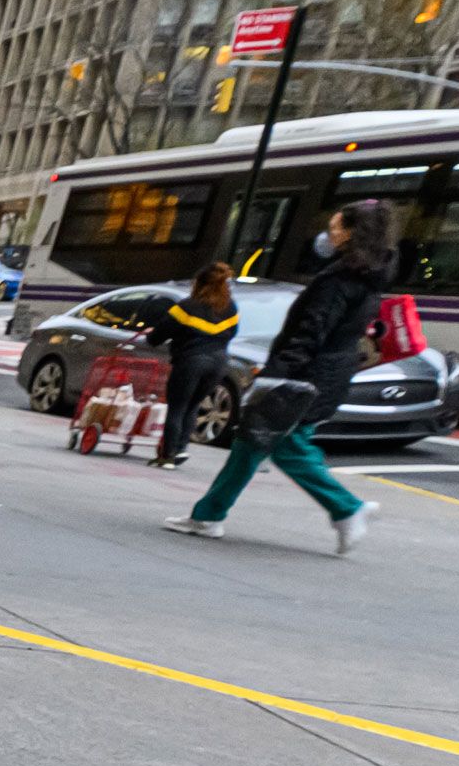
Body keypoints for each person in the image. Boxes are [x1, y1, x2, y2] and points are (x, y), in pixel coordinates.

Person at [167, 202, 395, 554]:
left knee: (287, 446)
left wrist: (276, 374)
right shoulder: (367, 279)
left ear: (350, 234)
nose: (328, 234)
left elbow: (310, 331)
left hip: (305, 376)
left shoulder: (337, 281)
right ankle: (208, 515)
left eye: (334, 227)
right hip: (327, 374)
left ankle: (347, 508)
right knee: (250, 443)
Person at [147, 260, 239, 471]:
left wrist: (153, 339)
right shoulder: (231, 308)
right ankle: (181, 448)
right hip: (218, 363)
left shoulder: (186, 307)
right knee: (193, 404)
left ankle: (167, 456)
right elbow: (233, 333)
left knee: (177, 407)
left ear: (199, 283)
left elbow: (158, 335)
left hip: (190, 362)